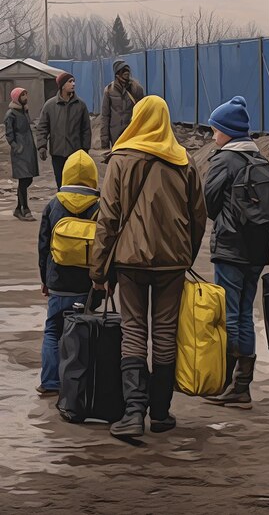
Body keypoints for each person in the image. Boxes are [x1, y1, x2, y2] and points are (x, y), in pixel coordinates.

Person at [90, 95, 206, 439]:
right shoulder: (183, 160)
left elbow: (108, 218)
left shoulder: (122, 158)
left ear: (136, 119)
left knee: (134, 331)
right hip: (172, 263)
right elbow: (198, 216)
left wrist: (99, 271)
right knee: (165, 333)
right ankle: (161, 413)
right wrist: (186, 254)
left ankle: (132, 413)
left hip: (130, 262)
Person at [204, 96, 269, 410]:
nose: (213, 136)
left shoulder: (224, 160)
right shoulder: (260, 159)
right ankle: (241, 384)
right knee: (245, 313)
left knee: (232, 316)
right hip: (257, 250)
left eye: (215, 129)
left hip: (231, 248)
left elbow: (208, 203)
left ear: (227, 131)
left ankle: (233, 384)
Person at [37, 150, 100, 396]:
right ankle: (79, 384)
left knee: (53, 330)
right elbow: (107, 246)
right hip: (87, 285)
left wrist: (45, 280)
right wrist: (106, 279)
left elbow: (43, 247)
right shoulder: (99, 207)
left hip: (58, 283)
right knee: (82, 333)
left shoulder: (53, 205)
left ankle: (50, 382)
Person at [37, 72, 92, 189]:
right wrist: (42, 146)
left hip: (76, 153)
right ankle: (62, 206)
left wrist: (85, 149)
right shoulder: (50, 105)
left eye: (73, 81)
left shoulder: (80, 105)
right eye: (70, 81)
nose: (73, 84)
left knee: (75, 184)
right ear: (62, 85)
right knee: (61, 183)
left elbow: (86, 129)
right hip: (58, 152)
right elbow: (42, 127)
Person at [3, 87, 39, 221]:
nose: (26, 97)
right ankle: (25, 209)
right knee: (24, 180)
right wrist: (17, 147)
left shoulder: (24, 111)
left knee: (28, 178)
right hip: (20, 152)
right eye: (23, 95)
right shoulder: (11, 114)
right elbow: (9, 134)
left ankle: (18, 209)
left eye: (26, 94)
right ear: (17, 97)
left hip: (28, 150)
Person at [100, 59, 144, 150]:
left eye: (127, 70)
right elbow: (105, 116)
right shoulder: (109, 90)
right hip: (116, 136)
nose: (126, 73)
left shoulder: (136, 88)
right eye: (123, 70)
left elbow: (143, 111)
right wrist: (105, 141)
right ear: (117, 73)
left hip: (132, 133)